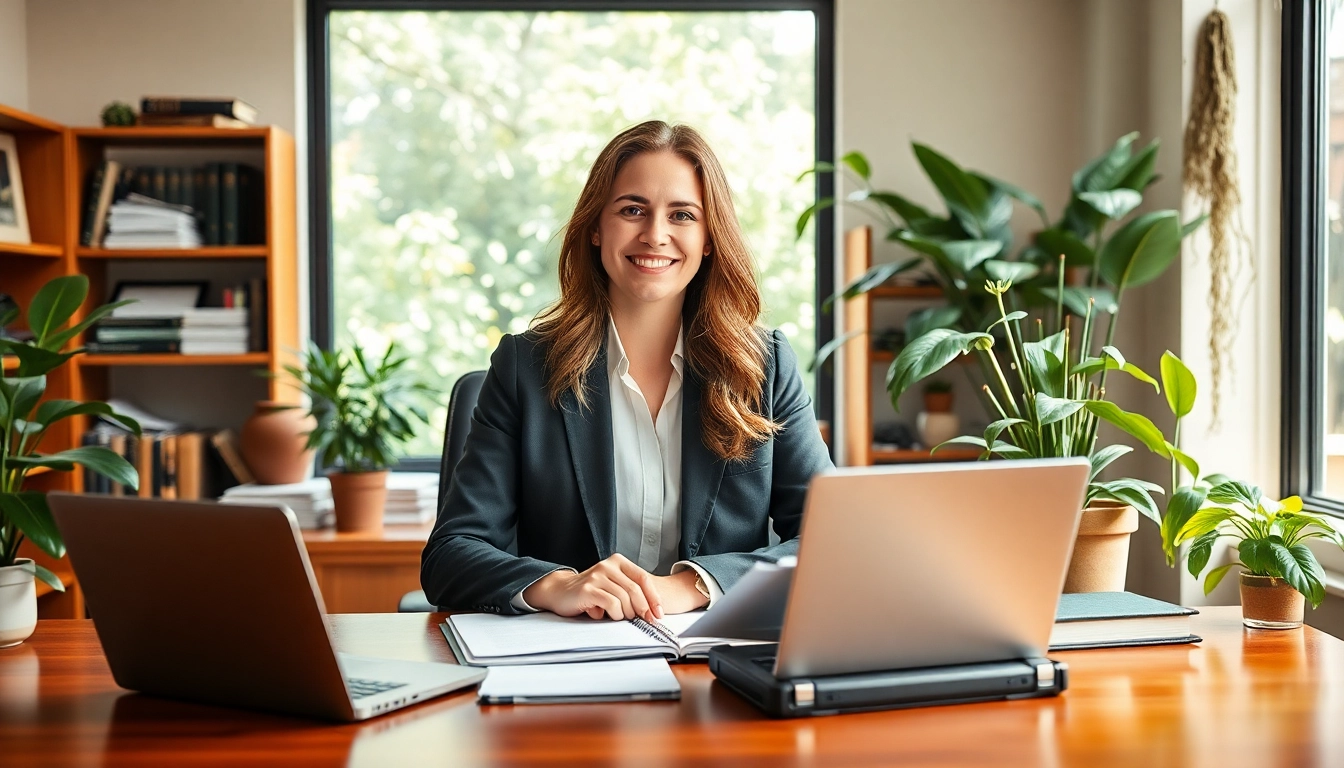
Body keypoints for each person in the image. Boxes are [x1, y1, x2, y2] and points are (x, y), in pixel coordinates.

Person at [420, 120, 832, 621]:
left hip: (714, 663)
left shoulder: (763, 366)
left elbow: (828, 538)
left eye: (682, 215)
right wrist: (559, 585)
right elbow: (451, 553)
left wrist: (694, 584)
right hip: (570, 661)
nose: (655, 235)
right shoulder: (524, 368)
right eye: (632, 210)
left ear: (708, 239)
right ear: (596, 227)